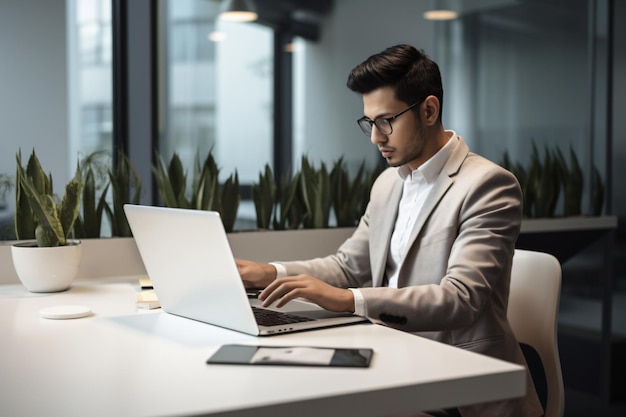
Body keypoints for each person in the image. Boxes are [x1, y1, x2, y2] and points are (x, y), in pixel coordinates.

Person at [236, 44, 542, 417]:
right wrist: (269, 272)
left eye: (386, 121)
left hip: (458, 389)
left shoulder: (489, 185)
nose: (375, 138)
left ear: (429, 110)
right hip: (389, 359)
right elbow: (349, 266)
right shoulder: (388, 184)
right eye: (369, 123)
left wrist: (348, 300)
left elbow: (460, 300)